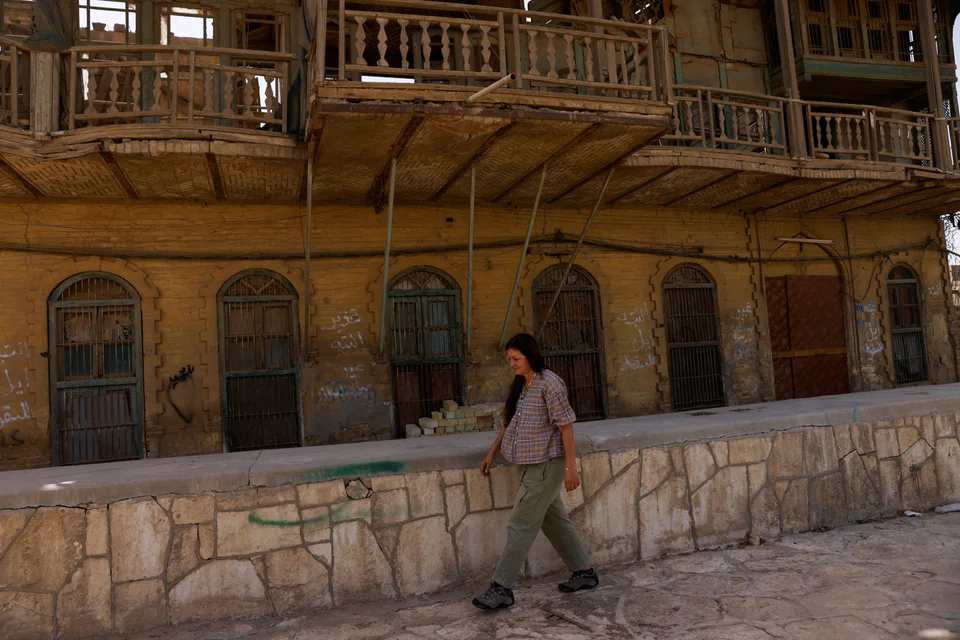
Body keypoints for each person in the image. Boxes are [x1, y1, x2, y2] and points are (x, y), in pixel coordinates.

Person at [472, 332, 598, 610]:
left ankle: (501, 588)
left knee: (520, 525)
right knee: (554, 520)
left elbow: (566, 426)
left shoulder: (549, 384)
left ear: (530, 356)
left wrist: (571, 468)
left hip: (545, 466)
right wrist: (492, 452)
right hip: (529, 466)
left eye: (516, 359)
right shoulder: (524, 385)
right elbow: (510, 423)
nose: (512, 364)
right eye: (510, 360)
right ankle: (585, 572)